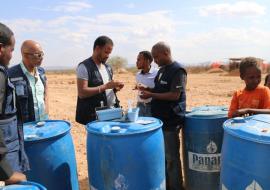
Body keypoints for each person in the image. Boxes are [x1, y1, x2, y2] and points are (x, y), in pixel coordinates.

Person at [140, 42, 186, 190]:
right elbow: (160, 89)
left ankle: (176, 187)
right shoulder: (161, 70)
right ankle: (167, 185)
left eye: (156, 57)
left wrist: (151, 94)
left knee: (171, 158)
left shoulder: (178, 70)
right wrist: (147, 88)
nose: (155, 60)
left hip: (171, 121)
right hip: (159, 120)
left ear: (166, 53)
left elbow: (174, 95)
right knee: (163, 157)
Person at [0, 22, 27, 183]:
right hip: (5, 155)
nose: (11, 56)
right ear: (1, 48)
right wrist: (6, 172)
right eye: (11, 50)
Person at [76, 35, 124, 125]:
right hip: (95, 116)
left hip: (112, 112)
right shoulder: (84, 67)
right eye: (106, 52)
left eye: (109, 53)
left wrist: (115, 88)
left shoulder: (108, 67)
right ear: (97, 49)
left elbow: (105, 91)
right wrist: (106, 86)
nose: (108, 56)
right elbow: (82, 93)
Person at [8, 40, 48, 123]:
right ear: (26, 55)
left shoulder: (41, 72)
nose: (42, 57)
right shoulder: (10, 75)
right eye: (38, 55)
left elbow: (46, 94)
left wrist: (46, 112)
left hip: (43, 124)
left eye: (42, 54)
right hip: (24, 129)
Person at [135, 50, 158, 116]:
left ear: (147, 61)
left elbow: (160, 90)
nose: (136, 62)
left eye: (139, 60)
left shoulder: (157, 73)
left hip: (152, 106)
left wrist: (148, 89)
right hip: (140, 105)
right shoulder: (138, 75)